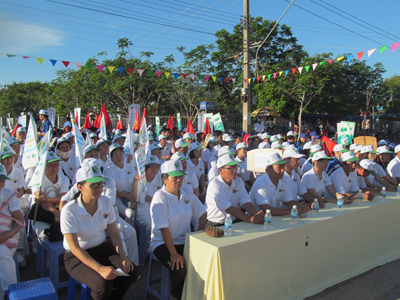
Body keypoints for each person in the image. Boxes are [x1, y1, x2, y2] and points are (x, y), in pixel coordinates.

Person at [61, 164, 139, 300]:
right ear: (80, 187)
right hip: (77, 257)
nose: (99, 189)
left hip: (101, 249)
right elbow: (74, 248)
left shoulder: (105, 202)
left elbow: (114, 232)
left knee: (131, 273)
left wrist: (123, 256)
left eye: (100, 184)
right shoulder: (69, 210)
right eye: (93, 185)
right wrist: (99, 268)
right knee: (103, 284)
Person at [150, 160, 206, 300]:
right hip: (162, 243)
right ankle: (175, 296)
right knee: (179, 268)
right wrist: (173, 253)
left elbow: (202, 213)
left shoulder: (187, 193)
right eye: (174, 177)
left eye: (181, 176)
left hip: (184, 240)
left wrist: (198, 236)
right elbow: (164, 229)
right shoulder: (160, 197)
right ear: (164, 179)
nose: (179, 180)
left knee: (203, 261)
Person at [206, 154, 264, 226]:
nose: (235, 170)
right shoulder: (215, 184)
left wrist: (256, 215)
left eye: (235, 167)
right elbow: (228, 208)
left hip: (232, 220)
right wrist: (251, 219)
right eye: (231, 168)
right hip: (216, 223)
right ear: (221, 170)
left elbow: (246, 201)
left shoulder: (238, 181)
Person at [30, 151, 69, 241]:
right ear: (43, 166)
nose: (54, 167)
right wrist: (54, 212)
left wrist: (45, 199)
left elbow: (62, 198)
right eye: (50, 165)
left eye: (56, 164)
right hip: (40, 213)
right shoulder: (38, 179)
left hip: (59, 211)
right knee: (45, 237)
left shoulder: (64, 179)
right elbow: (39, 202)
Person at [0, 163, 25, 299]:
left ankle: (11, 292)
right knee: (2, 254)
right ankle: (12, 291)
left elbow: (20, 221)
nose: (0, 184)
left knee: (2, 252)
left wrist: (6, 235)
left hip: (8, 239)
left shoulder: (8, 194)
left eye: (2, 180)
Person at [0, 145, 28, 266]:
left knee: (19, 218)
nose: (9, 160)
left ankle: (19, 250)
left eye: (2, 180)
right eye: (6, 158)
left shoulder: (17, 173)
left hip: (13, 203)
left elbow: (21, 191)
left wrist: (7, 235)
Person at [132, 155, 162, 249]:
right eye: (151, 167)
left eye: (156, 167)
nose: (154, 169)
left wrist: (153, 199)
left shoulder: (160, 180)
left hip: (157, 208)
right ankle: (150, 244)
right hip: (142, 210)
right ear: (145, 168)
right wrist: (134, 184)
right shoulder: (139, 180)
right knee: (151, 223)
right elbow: (132, 200)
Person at [104, 144, 137, 226]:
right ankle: (129, 232)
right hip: (117, 198)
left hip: (131, 195)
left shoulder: (129, 167)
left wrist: (132, 195)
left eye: (120, 154)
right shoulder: (108, 171)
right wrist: (128, 196)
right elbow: (112, 190)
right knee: (130, 213)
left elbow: (136, 182)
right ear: (111, 158)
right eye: (115, 155)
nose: (119, 156)